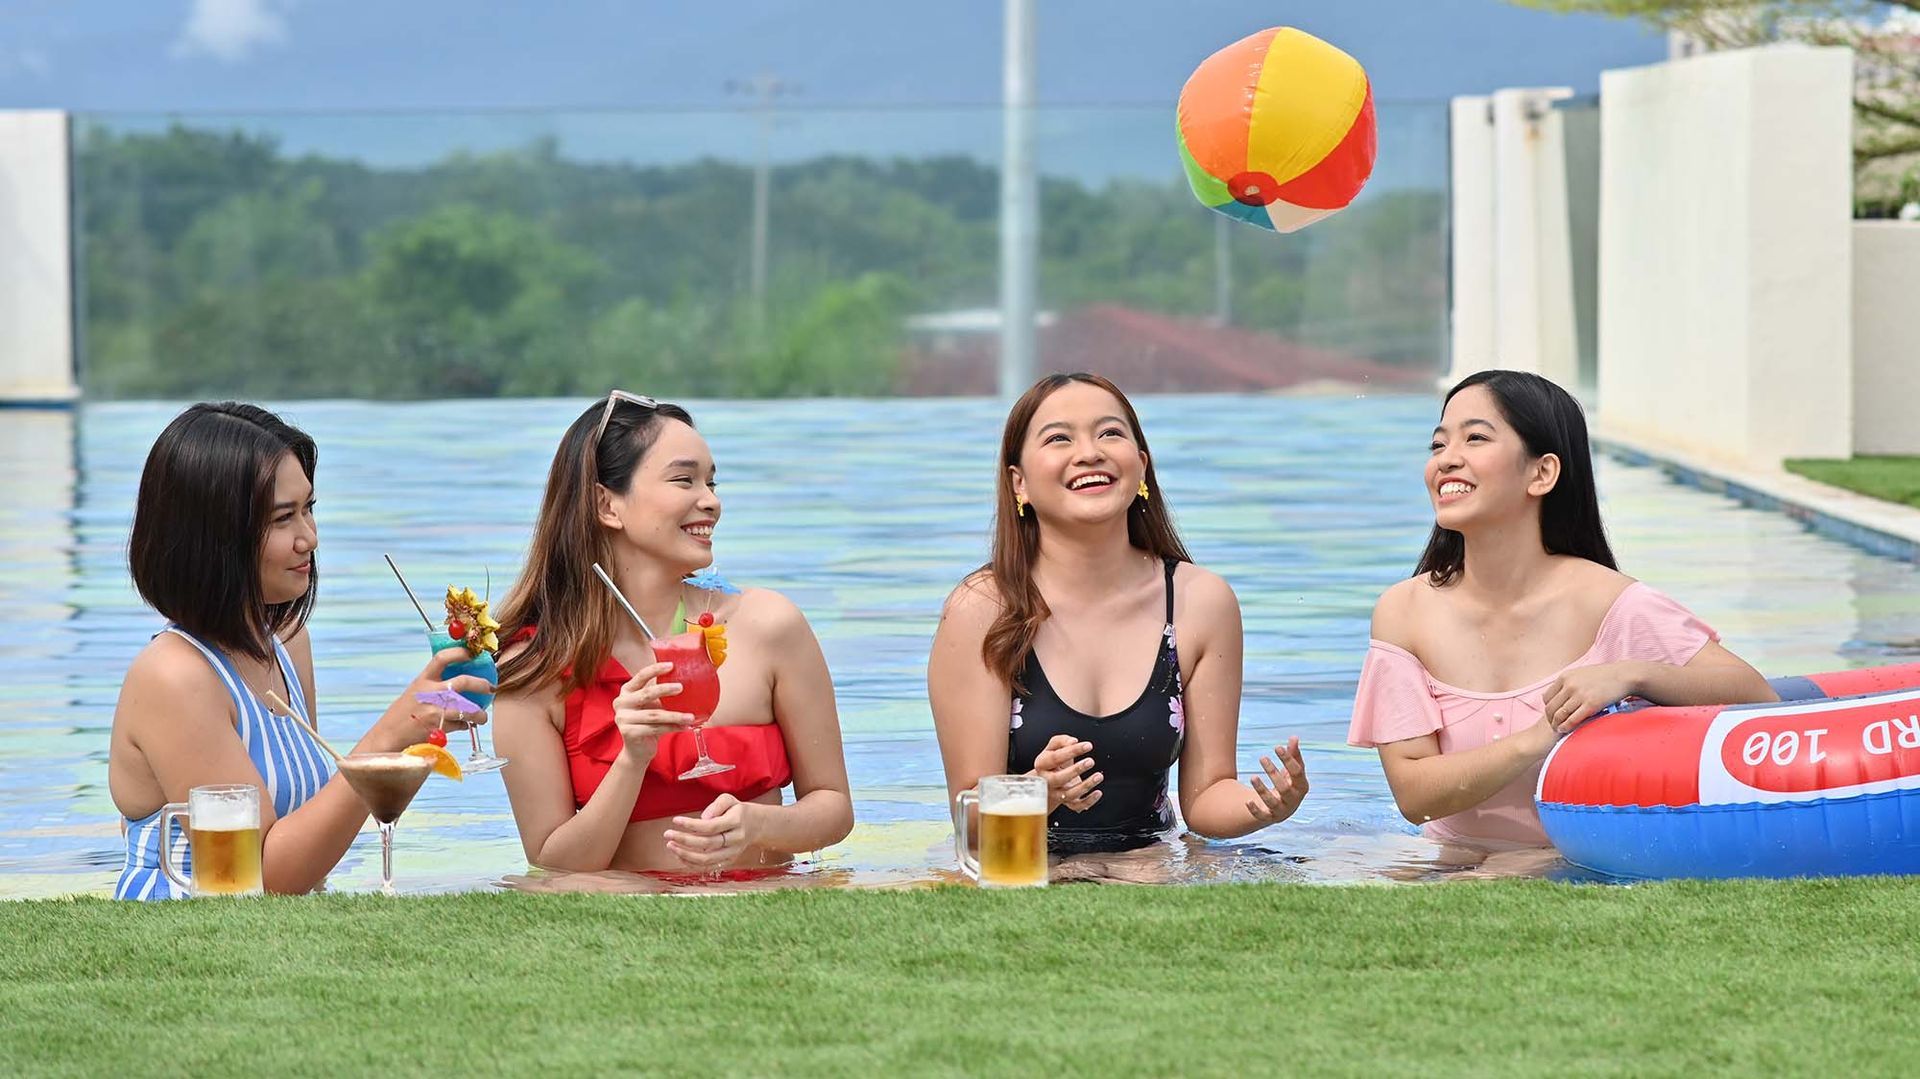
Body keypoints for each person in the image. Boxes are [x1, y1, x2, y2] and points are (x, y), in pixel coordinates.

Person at [1349, 370, 1777, 863]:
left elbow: (1754, 695)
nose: (1447, 459)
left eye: (1476, 438)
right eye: (1438, 444)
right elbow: (1415, 796)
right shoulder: (1405, 611)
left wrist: (1630, 674)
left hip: (1574, 859)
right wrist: (1541, 734)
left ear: (1542, 474)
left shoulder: (1611, 603)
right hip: (1446, 852)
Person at [109, 402, 490, 899]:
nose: (308, 537)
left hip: (274, 940)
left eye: (308, 508)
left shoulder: (287, 642)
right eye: (283, 518)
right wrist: (394, 730)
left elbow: (305, 850)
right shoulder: (174, 676)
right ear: (214, 539)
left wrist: (411, 739)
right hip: (186, 943)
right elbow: (261, 878)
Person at [929, 372, 1308, 863]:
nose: (1089, 452)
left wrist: (1265, 805)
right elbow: (969, 826)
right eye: (1059, 438)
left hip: (1149, 863)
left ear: (1142, 467)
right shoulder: (982, 609)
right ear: (1018, 483)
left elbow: (1206, 798)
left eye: (1110, 433)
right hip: (1023, 867)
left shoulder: (1199, 602)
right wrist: (1035, 793)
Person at [492, 391, 853, 875]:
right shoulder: (533, 669)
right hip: (632, 913)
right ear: (607, 504)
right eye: (685, 480)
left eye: (712, 482)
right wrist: (632, 759)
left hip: (766, 901)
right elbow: (556, 864)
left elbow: (833, 807)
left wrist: (759, 825)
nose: (711, 502)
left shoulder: (768, 625)